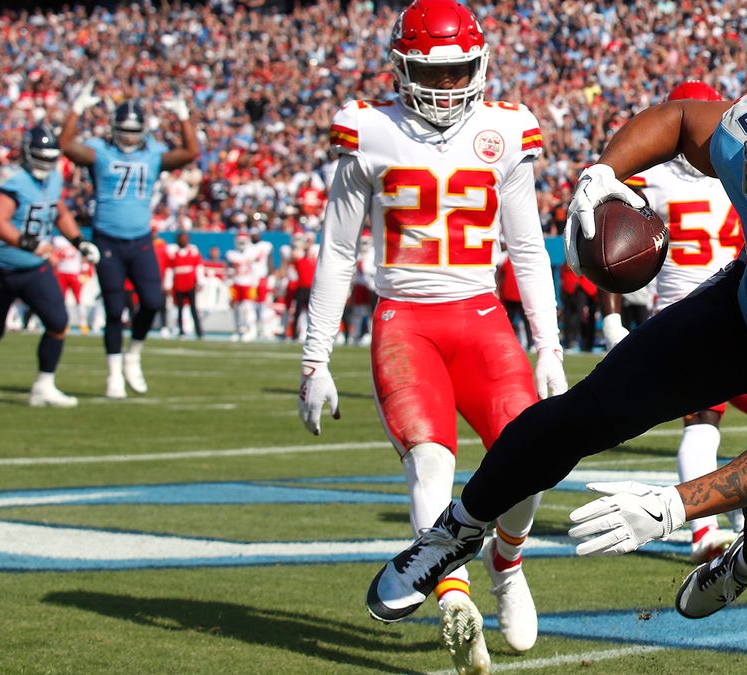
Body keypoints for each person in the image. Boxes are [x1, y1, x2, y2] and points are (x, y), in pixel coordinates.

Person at [362, 58, 747, 627]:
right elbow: (681, 119)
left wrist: (673, 506)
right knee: (581, 414)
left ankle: (743, 566)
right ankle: (456, 530)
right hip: (739, 316)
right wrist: (603, 174)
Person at [295, 1, 568, 671]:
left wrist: (550, 344)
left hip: (480, 318)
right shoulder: (371, 132)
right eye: (431, 75)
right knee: (430, 460)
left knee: (530, 454)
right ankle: (454, 596)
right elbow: (336, 251)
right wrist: (315, 358)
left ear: (479, 68)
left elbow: (528, 250)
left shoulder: (505, 131)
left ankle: (506, 561)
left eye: (458, 75)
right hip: (405, 323)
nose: (446, 90)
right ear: (401, 69)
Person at [598, 80, 747, 563]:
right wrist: (612, 316)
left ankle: (740, 503)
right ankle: (705, 529)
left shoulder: (660, 178)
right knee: (705, 419)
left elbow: (607, 247)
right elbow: (610, 248)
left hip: (740, 308)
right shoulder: (725, 171)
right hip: (691, 313)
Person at [59, 82, 200, 398]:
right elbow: (65, 145)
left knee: (152, 302)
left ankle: (133, 353)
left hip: (140, 240)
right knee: (114, 307)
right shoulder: (101, 151)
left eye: (134, 131)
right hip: (107, 239)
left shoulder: (152, 154)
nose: (128, 137)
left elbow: (191, 152)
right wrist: (76, 109)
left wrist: (183, 117)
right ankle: (113, 374)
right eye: (123, 130)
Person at [0, 126, 100, 407]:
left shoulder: (54, 178)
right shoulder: (12, 178)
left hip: (33, 267)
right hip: (0, 266)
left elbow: (59, 211)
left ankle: (44, 385)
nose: (45, 164)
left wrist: (80, 242)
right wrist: (29, 243)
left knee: (57, 323)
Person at [167, 231, 204, 339]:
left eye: (185, 238)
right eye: (181, 238)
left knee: (193, 308)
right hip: (178, 285)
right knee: (179, 309)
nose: (183, 241)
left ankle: (199, 331)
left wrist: (200, 281)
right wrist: (168, 285)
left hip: (190, 284)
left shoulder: (192, 251)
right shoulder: (174, 253)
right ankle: (181, 330)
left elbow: (198, 267)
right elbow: (170, 270)